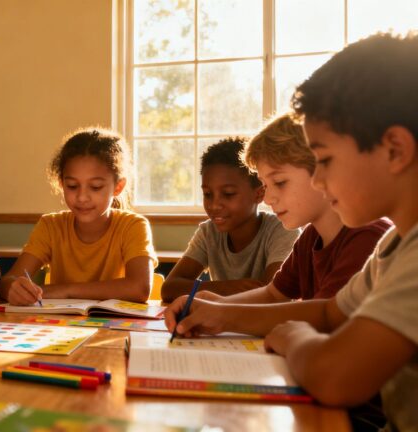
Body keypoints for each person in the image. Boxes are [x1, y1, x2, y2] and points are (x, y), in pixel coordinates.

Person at [165, 33, 418, 431]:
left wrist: (293, 337)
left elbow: (336, 376)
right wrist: (221, 313)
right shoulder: (396, 245)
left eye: (326, 160)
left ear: (395, 150)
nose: (318, 181)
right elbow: (330, 312)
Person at [201, 114, 390, 304]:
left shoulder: (367, 236)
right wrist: (213, 304)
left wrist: (220, 312)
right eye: (265, 185)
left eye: (280, 182)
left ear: (322, 171)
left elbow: (326, 315)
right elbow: (273, 294)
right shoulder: (311, 237)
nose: (267, 198)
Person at [0, 127, 158, 306]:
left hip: (115, 327)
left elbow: (140, 288)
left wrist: (66, 291)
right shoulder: (51, 225)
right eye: (73, 186)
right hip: (60, 327)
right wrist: (13, 288)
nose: (82, 197)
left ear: (118, 187)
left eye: (96, 187)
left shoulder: (133, 226)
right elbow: (8, 280)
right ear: (61, 184)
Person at [162, 137, 300, 302]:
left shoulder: (281, 230)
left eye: (228, 194)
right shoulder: (209, 232)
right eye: (207, 194)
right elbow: (169, 288)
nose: (214, 205)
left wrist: (211, 292)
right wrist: (227, 287)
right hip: (224, 322)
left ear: (259, 194)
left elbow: (272, 296)